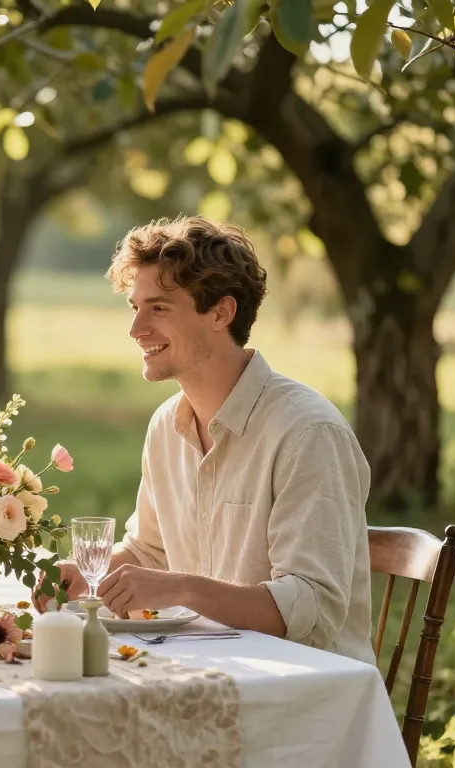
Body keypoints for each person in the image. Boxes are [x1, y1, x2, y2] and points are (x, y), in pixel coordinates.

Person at [39, 216, 375, 665]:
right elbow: (149, 553)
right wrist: (86, 574)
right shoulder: (166, 425)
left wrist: (182, 588)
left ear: (221, 312)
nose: (136, 329)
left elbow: (312, 609)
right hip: (201, 667)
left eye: (158, 308)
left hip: (300, 689)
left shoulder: (307, 432)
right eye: (134, 307)